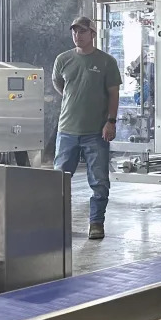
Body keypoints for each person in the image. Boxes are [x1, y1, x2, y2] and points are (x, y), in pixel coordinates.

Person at [52, 16, 122, 240]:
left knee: (99, 181)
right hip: (67, 130)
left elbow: (113, 93)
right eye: (74, 31)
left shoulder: (106, 62)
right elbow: (58, 82)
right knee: (59, 180)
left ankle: (96, 223)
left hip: (95, 132)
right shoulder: (63, 59)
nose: (77, 35)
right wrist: (72, 98)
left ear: (92, 34)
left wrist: (110, 121)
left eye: (82, 31)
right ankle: (58, 223)